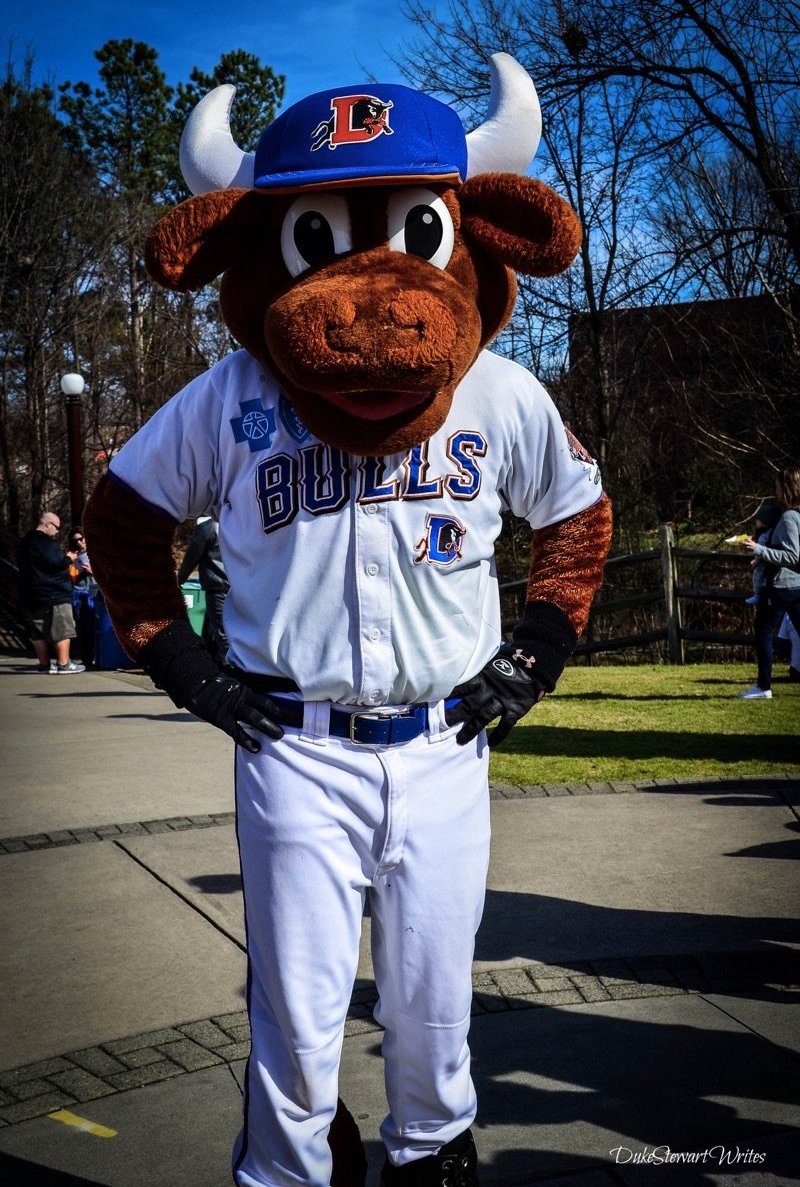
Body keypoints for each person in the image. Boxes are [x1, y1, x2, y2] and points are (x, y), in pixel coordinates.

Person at [84, 59, 612, 1187]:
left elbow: (577, 515)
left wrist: (539, 648)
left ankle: (430, 1156)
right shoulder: (232, 392)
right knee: (297, 1004)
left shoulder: (498, 390)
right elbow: (121, 520)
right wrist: (179, 662)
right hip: (293, 743)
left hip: (443, 744)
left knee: (431, 997)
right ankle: (284, 1174)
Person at [740, 467, 800, 699]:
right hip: (795, 585)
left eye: (777, 486)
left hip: (782, 586)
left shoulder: (788, 518)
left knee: (763, 633)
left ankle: (764, 686)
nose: (775, 490)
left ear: (786, 488)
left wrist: (759, 549)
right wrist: (762, 556)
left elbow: (792, 555)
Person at [17, 512, 86, 674]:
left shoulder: (25, 541)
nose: (57, 532)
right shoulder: (45, 542)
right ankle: (64, 664)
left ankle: (44, 664)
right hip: (54, 593)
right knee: (62, 629)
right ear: (48, 524)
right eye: (56, 528)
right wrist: (68, 558)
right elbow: (56, 563)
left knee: (38, 630)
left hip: (31, 594)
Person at [177, 515, 230, 660]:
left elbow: (192, 556)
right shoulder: (239, 526)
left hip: (217, 586)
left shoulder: (208, 527)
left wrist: (180, 579)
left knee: (221, 632)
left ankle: (233, 669)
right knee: (212, 630)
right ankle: (213, 663)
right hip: (236, 586)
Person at [745, 502, 781, 604]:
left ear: (765, 520)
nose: (756, 521)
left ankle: (757, 595)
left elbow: (761, 549)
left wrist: (756, 561)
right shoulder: (773, 532)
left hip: (764, 564)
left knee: (758, 577)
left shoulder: (764, 535)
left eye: (759, 519)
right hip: (770, 563)